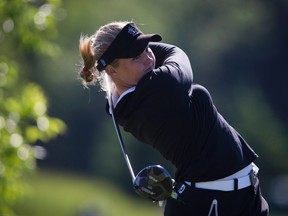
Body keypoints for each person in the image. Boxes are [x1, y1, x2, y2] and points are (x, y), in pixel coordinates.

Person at [78, 21, 269, 216]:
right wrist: (132, 46)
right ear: (112, 71)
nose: (148, 58)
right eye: (136, 56)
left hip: (232, 196)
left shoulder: (121, 102)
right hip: (213, 202)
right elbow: (177, 53)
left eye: (146, 49)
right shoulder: (159, 88)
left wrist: (131, 48)